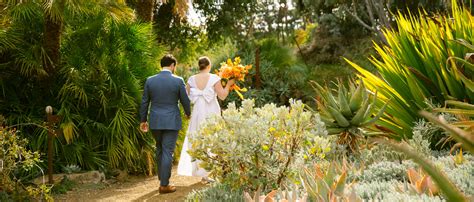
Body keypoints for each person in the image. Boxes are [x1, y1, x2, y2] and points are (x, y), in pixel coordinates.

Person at [177, 56, 234, 182]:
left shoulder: (191, 79)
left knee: (198, 139)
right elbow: (223, 96)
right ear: (209, 66)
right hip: (211, 111)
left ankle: (200, 171)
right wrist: (229, 84)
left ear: (199, 66)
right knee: (213, 138)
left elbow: (185, 98)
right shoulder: (214, 78)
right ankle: (210, 172)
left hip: (197, 111)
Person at [139, 54, 191, 194]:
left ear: (161, 65)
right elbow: (185, 100)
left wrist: (143, 120)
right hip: (171, 121)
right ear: (173, 65)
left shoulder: (150, 81)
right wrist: (188, 113)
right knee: (168, 151)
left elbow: (145, 102)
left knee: (160, 149)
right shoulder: (178, 80)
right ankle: (164, 184)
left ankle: (162, 177)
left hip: (155, 120)